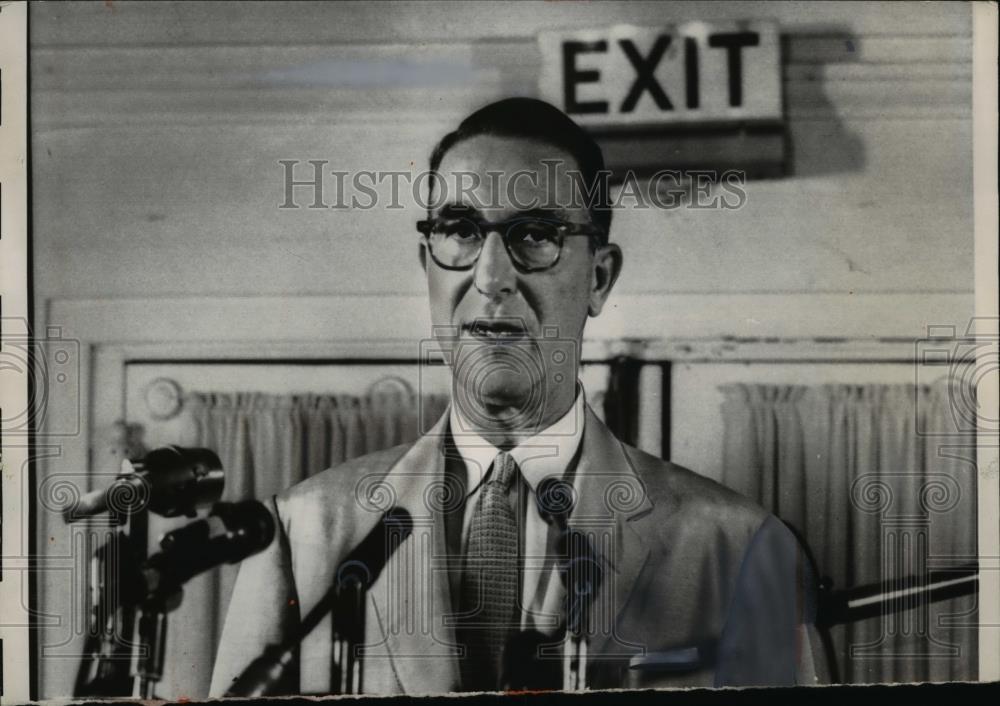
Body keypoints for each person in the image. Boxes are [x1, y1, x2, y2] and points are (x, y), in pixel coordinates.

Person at [209, 98, 820, 696]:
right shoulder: (301, 532)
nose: (491, 276)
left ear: (599, 278)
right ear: (428, 262)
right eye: (460, 230)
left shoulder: (740, 549)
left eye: (535, 234)